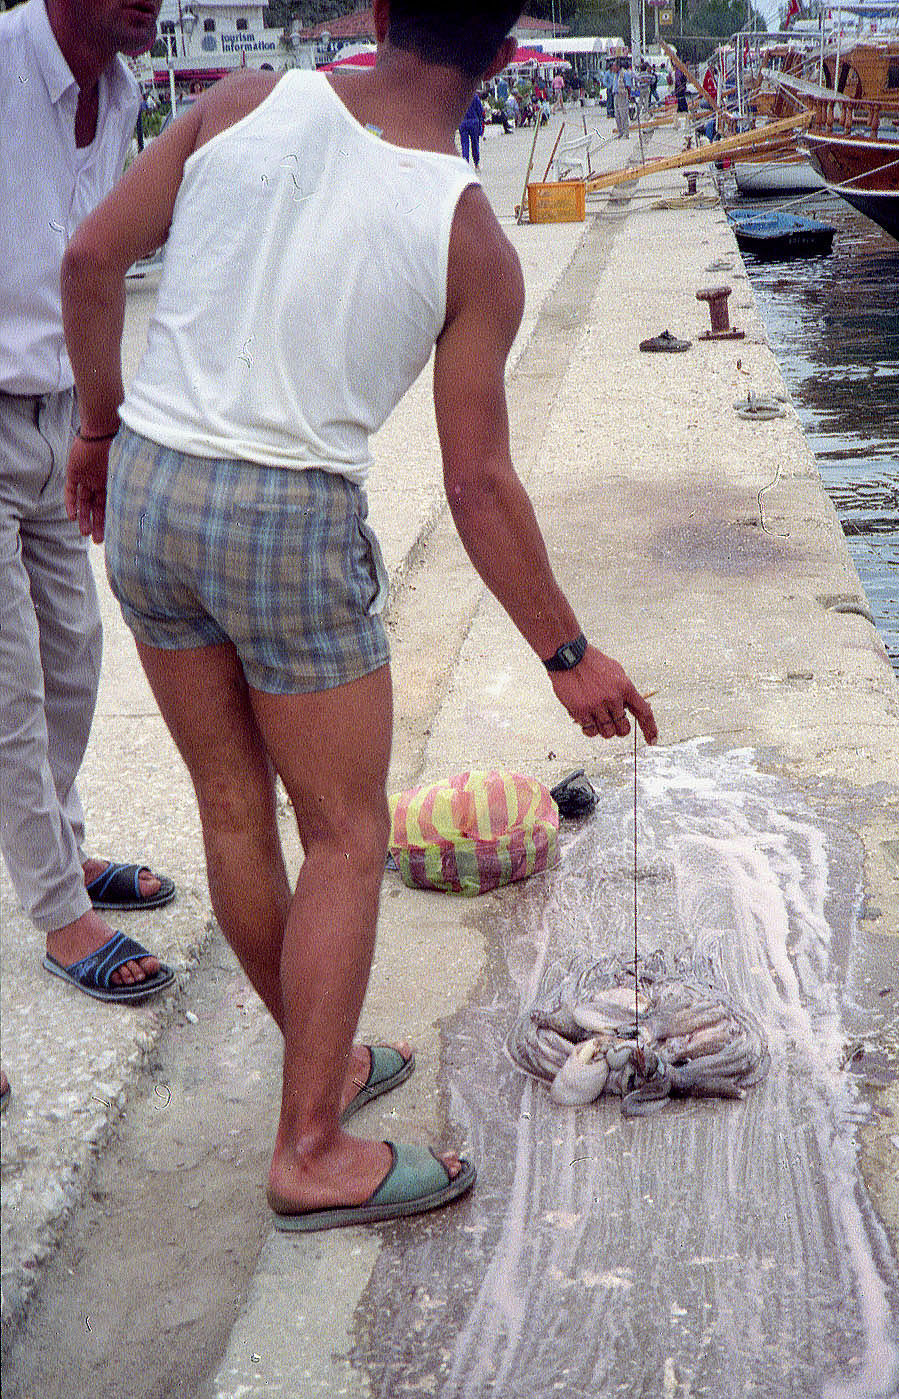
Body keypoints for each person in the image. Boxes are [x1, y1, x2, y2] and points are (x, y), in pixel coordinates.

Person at [60, 0, 658, 1233]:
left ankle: (316, 1069)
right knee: (342, 834)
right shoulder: (469, 238)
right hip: (285, 511)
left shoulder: (235, 103)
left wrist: (100, 427)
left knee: (233, 808)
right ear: (501, 58)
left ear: (379, 14)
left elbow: (88, 262)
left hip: (158, 483)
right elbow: (475, 481)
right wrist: (566, 650)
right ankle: (314, 1146)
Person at [0, 0, 175, 1014]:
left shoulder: (121, 87)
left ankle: (57, 847)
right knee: (12, 683)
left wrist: (95, 418)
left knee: (74, 654)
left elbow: (91, 262)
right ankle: (61, 909)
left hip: (61, 411)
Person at [458, 88, 484, 166]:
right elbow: (480, 111)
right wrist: (480, 123)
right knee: (475, 143)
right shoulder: (474, 97)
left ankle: (466, 161)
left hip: (463, 122)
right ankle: (476, 162)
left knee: (464, 144)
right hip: (473, 122)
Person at [613, 58, 635, 139]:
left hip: (622, 95)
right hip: (616, 95)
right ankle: (620, 132)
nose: (613, 68)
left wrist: (629, 96)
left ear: (618, 66)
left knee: (623, 114)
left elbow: (628, 86)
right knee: (617, 115)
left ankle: (626, 133)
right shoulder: (616, 74)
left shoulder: (625, 73)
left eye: (614, 66)